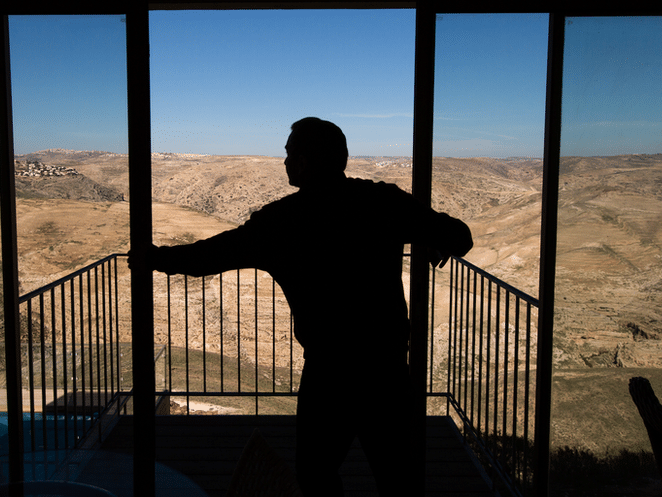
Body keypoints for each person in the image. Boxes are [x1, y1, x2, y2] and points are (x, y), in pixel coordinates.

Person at [141, 117, 473, 495]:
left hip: (329, 372)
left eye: (289, 154)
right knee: (396, 478)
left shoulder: (281, 222)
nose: (284, 162)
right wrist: (430, 241)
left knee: (316, 476)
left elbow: (208, 257)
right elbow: (460, 236)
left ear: (304, 162)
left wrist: (156, 258)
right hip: (387, 370)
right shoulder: (382, 201)